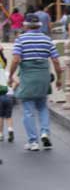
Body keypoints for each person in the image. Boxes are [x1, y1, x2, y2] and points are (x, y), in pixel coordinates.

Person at [8, 14, 62, 151]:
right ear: (39, 25)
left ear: (25, 25)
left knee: (28, 111)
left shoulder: (21, 40)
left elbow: (15, 60)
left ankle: (33, 141)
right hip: (43, 77)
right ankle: (45, 132)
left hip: (28, 78)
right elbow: (56, 61)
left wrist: (10, 76)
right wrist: (59, 78)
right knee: (43, 106)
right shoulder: (47, 39)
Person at [0, 46, 15, 143]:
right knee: (8, 116)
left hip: (0, 96)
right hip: (9, 97)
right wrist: (11, 90)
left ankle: (0, 134)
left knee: (0, 116)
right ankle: (10, 129)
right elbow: (16, 82)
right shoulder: (6, 73)